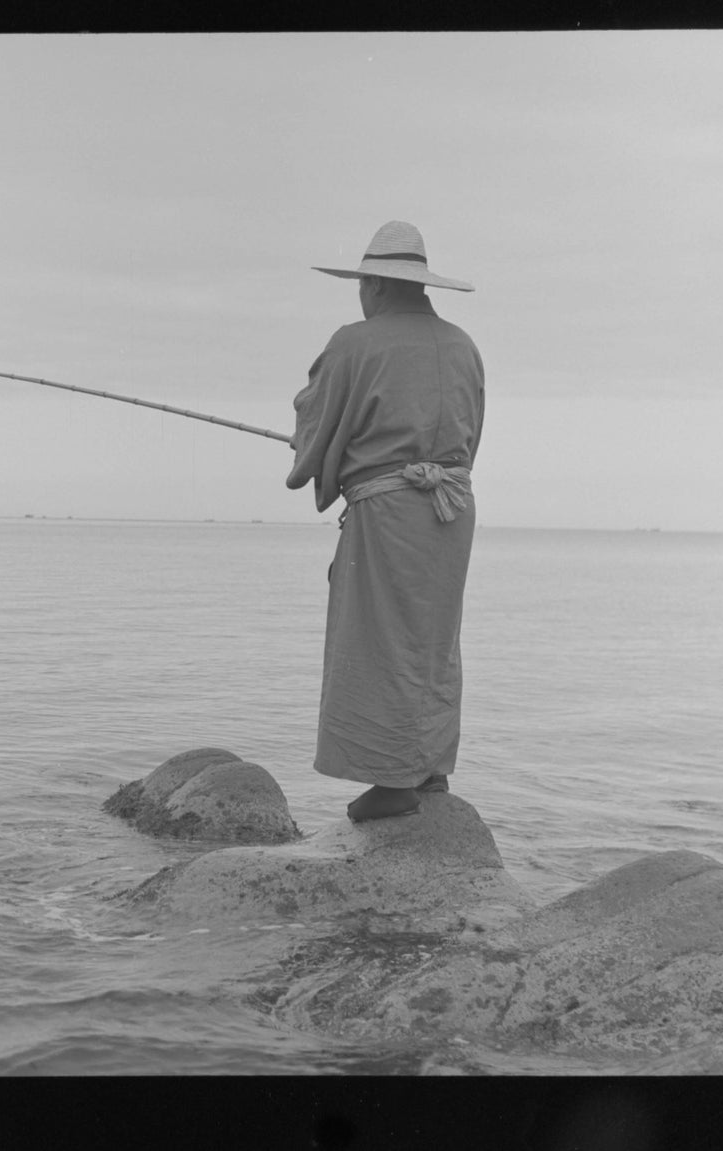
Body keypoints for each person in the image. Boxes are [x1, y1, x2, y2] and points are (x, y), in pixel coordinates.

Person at [286, 221, 484, 822]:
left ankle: (393, 782)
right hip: (451, 506)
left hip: (390, 509)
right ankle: (430, 770)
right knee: (432, 640)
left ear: (373, 283)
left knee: (377, 638)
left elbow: (315, 417)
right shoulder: (464, 345)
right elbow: (467, 441)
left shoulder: (355, 342)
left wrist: (320, 453)